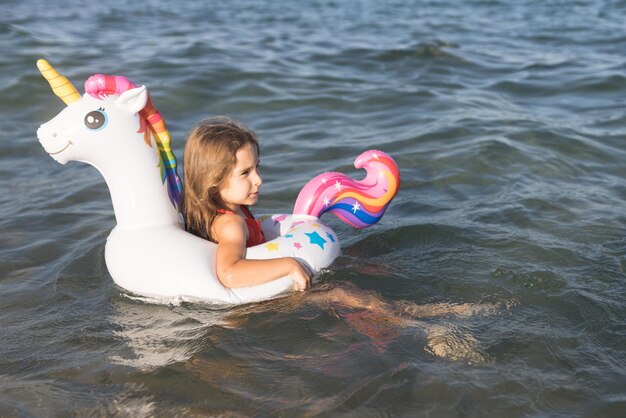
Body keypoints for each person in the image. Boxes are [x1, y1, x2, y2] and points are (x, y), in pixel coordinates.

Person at [180, 117, 311, 291]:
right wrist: (289, 265)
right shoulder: (231, 224)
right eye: (245, 173)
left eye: (257, 167)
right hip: (253, 306)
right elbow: (229, 273)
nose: (258, 179)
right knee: (340, 294)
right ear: (214, 180)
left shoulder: (234, 211)